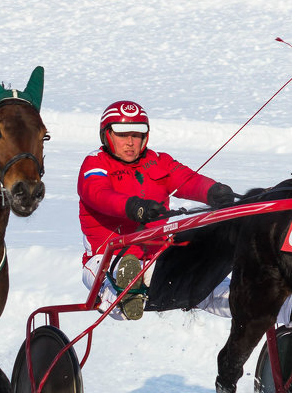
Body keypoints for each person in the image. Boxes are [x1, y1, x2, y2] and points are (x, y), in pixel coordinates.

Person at [77, 100, 237, 321]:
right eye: (123, 135)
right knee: (115, 280)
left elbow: (188, 180)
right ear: (107, 135)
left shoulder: (158, 161)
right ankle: (128, 295)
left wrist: (214, 191)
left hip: (158, 262)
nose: (131, 142)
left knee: (217, 288)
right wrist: (134, 207)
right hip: (106, 259)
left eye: (137, 134)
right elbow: (98, 194)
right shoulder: (95, 164)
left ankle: (285, 307)